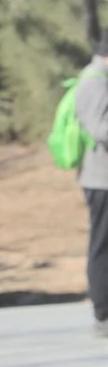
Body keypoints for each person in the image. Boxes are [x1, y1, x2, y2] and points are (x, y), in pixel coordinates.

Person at [74, 35, 108, 335]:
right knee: (102, 245)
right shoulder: (95, 81)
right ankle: (103, 313)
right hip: (101, 179)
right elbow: (99, 128)